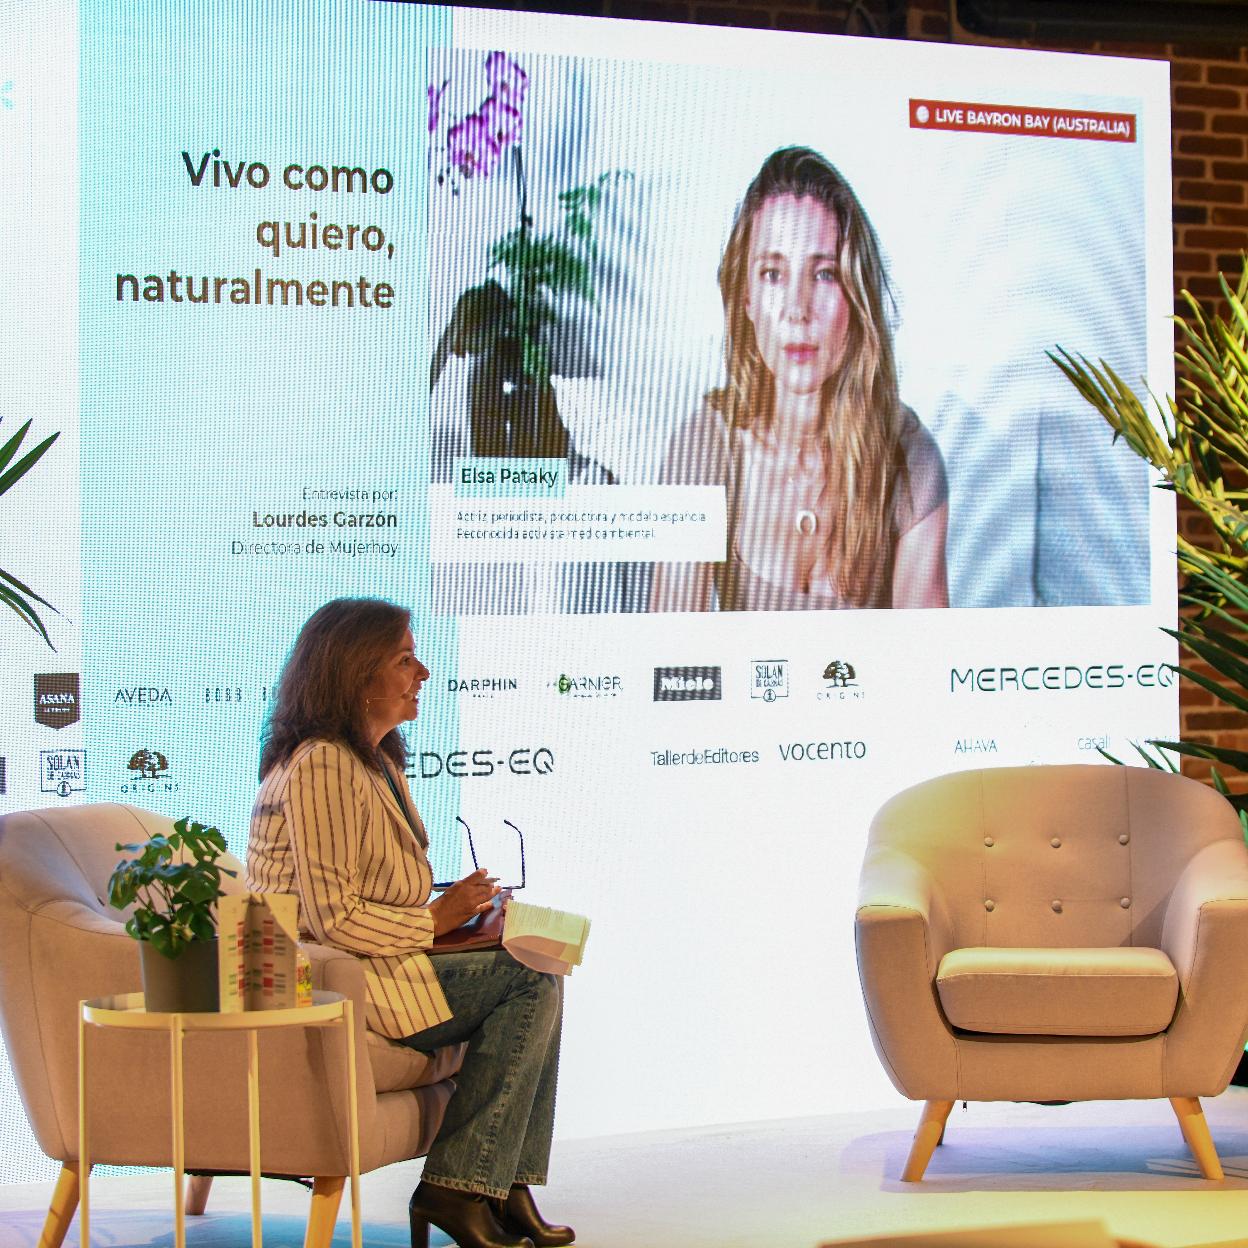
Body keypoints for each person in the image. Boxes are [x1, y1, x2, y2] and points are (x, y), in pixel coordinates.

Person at [247, 598, 572, 1248]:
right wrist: (433, 922)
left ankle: (499, 1183)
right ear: (355, 673)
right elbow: (333, 917)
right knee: (532, 978)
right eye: (403, 659)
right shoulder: (324, 766)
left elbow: (377, 889)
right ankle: (461, 1187)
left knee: (548, 954)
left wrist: (466, 907)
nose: (422, 672)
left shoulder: (374, 762)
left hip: (382, 967)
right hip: (342, 986)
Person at [651, 146, 948, 611]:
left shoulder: (910, 459)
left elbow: (927, 670)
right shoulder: (704, 447)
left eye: (824, 274)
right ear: (745, 296)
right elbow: (670, 664)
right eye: (772, 273)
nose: (797, 309)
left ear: (856, 296)